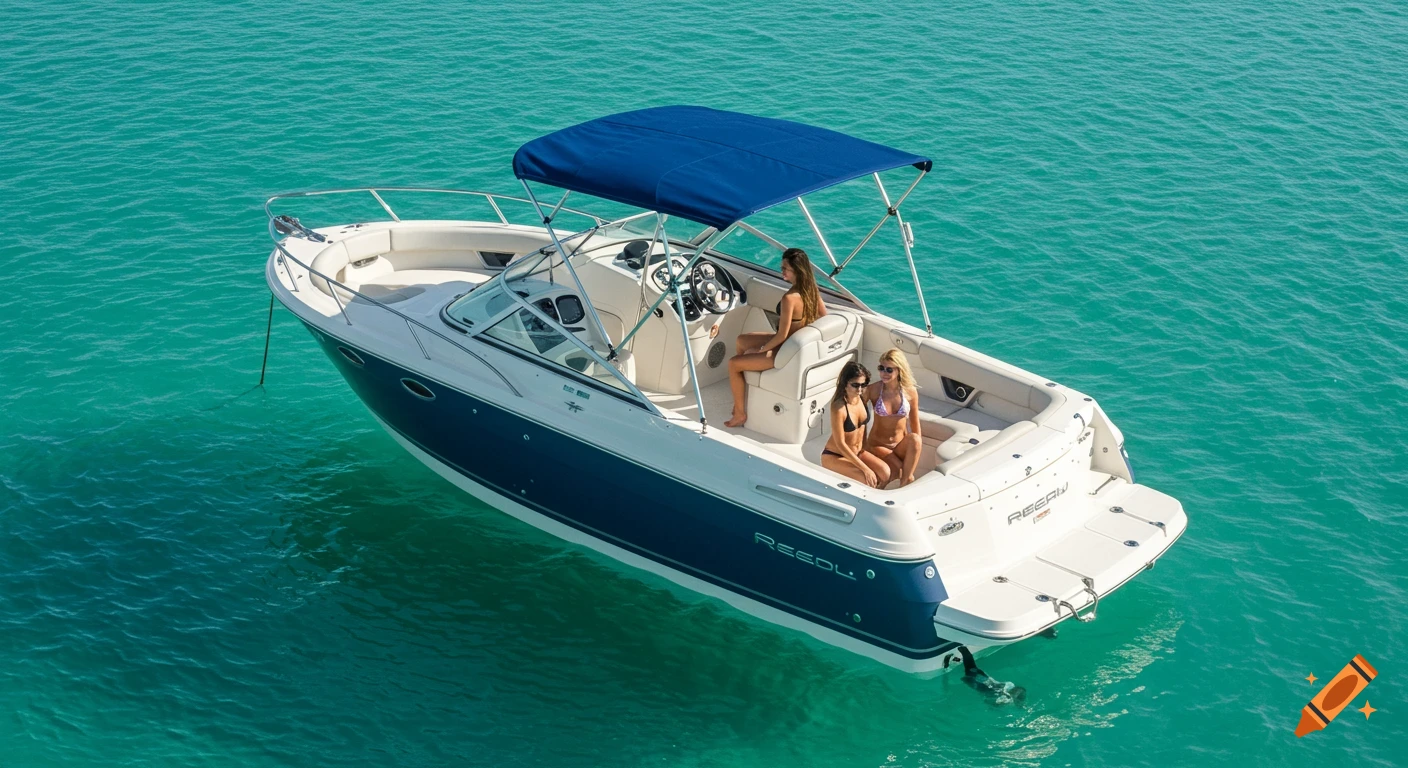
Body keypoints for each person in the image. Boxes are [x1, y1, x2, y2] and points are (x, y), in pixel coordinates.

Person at [724, 247, 827, 428]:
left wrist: (763, 350)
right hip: (792, 344)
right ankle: (742, 393)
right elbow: (824, 317)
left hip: (784, 348)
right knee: (742, 340)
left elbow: (781, 335)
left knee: (733, 364)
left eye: (785, 268)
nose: (782, 271)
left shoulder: (790, 298)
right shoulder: (812, 290)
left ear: (797, 270)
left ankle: (740, 413)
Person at [820, 361, 891, 488]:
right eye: (855, 385)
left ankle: (874, 495)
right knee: (866, 479)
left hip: (858, 452)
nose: (859, 389)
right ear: (845, 384)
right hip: (836, 456)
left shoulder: (862, 397)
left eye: (863, 385)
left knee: (885, 473)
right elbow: (840, 444)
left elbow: (862, 429)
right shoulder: (839, 408)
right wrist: (866, 469)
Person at [866, 348, 923, 486]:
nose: (884, 373)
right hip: (877, 445)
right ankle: (901, 479)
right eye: (881, 368)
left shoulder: (910, 391)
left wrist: (914, 453)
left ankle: (905, 482)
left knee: (915, 439)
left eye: (889, 370)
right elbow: (857, 415)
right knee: (898, 471)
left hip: (899, 446)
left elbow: (915, 425)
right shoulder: (873, 390)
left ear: (899, 370)